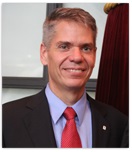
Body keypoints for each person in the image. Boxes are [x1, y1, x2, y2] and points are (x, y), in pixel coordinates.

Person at [2, 7, 128, 148]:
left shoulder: (119, 125)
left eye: (86, 48)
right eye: (64, 46)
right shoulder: (6, 120)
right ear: (44, 53)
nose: (77, 57)